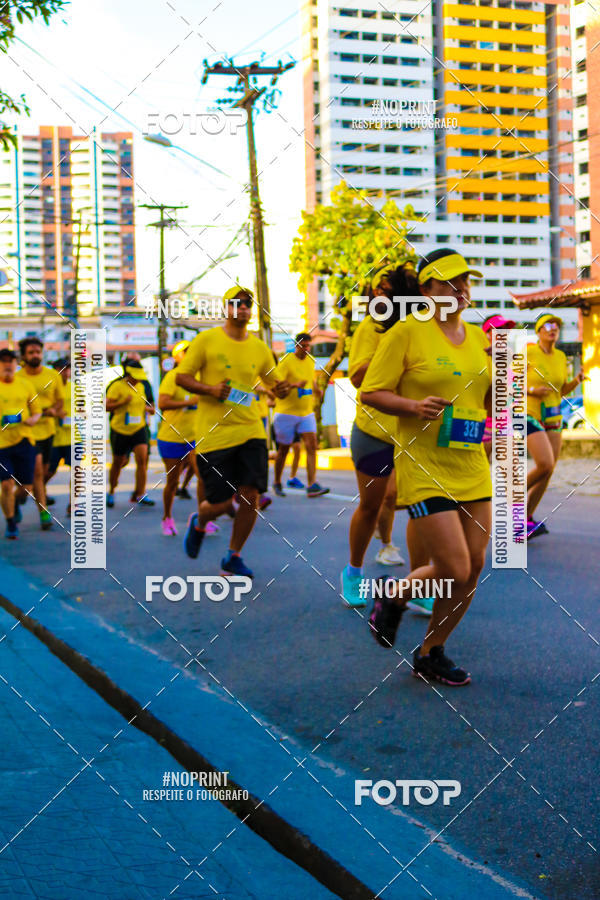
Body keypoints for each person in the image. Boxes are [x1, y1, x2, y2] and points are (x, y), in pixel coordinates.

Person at [362, 248, 492, 686]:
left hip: (472, 464)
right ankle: (393, 594)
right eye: (449, 283)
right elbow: (372, 391)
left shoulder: (479, 339)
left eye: (464, 282)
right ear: (426, 290)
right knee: (453, 567)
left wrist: (493, 424)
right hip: (424, 465)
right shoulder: (406, 333)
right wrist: (413, 405)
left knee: (473, 567)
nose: (460, 290)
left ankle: (431, 651)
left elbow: (485, 399)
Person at [176, 285, 288, 577]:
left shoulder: (260, 348)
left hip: (251, 430)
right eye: (235, 303)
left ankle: (233, 555)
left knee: (250, 496)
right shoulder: (206, 340)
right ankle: (200, 520)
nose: (242, 308)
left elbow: (275, 384)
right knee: (221, 503)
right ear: (225, 308)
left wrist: (283, 387)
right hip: (215, 435)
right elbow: (182, 377)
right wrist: (211, 389)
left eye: (247, 303)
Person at [340, 267, 409, 609]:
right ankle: (353, 572)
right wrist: (394, 352)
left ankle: (422, 584)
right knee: (372, 504)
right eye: (376, 290)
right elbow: (357, 377)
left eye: (386, 290)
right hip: (373, 428)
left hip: (413, 432)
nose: (378, 296)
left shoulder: (421, 329)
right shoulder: (370, 326)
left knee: (414, 503)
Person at [526, 314, 586, 538]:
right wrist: (532, 391)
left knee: (549, 470)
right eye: (549, 325)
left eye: (557, 326)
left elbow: (559, 391)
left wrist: (576, 381)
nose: (554, 329)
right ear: (539, 331)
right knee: (544, 463)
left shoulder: (561, 356)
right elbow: (508, 381)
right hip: (529, 413)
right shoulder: (529, 352)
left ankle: (526, 518)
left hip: (554, 417)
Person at [156, 342, 219, 536]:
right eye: (186, 352)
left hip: (196, 436)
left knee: (202, 477)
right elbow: (162, 403)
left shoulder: (200, 378)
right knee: (173, 482)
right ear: (177, 357)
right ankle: (167, 518)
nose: (191, 355)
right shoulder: (172, 377)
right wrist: (188, 402)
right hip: (172, 437)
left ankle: (203, 518)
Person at [272, 333, 329, 498]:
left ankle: (312, 484)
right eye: (303, 346)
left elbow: (311, 380)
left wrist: (317, 390)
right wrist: (294, 385)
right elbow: (277, 385)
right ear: (296, 346)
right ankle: (277, 481)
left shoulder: (311, 361)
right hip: (286, 412)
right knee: (283, 450)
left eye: (308, 346)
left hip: (306, 412)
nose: (306, 349)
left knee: (312, 445)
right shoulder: (287, 361)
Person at [15, 337, 63, 530]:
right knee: (36, 473)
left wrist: (53, 410)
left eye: (38, 352)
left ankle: (17, 498)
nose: (35, 355)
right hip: (27, 432)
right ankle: (44, 512)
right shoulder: (18, 378)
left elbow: (59, 401)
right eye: (31, 353)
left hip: (49, 431)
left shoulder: (53, 375)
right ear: (24, 356)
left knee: (41, 475)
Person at [0, 349, 41, 539]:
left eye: (11, 361)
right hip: (1, 445)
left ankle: (15, 503)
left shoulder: (25, 385)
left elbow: (37, 410)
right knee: (6, 485)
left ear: (16, 363)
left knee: (26, 487)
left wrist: (34, 418)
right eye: (3, 361)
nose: (7, 365)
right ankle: (10, 523)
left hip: (23, 440)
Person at [106, 358, 155, 507]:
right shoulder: (117, 386)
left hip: (138, 428)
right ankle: (112, 490)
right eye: (135, 377)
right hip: (119, 429)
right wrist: (122, 402)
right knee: (118, 462)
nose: (137, 380)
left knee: (142, 459)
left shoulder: (141, 387)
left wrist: (149, 409)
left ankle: (140, 494)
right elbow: (107, 406)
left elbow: (145, 404)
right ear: (129, 374)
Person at [480, 315, 516, 461]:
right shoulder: (479, 357)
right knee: (478, 473)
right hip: (482, 423)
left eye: (505, 331)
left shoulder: (508, 357)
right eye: (498, 330)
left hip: (504, 422)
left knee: (512, 476)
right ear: (486, 334)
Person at [45, 357, 72, 516]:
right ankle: (38, 492)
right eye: (62, 368)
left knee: (76, 471)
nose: (66, 372)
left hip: (73, 437)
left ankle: (73, 504)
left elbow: (82, 407)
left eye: (68, 369)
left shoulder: (74, 388)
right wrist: (55, 413)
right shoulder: (48, 389)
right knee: (49, 471)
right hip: (53, 436)